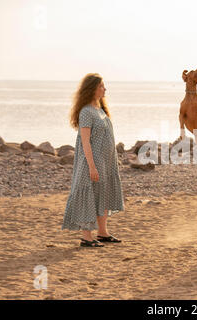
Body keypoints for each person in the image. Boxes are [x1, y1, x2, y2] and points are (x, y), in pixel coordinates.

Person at [62, 73, 124, 247]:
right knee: (88, 195)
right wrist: (91, 166)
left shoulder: (100, 110)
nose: (105, 89)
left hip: (106, 161)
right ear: (92, 89)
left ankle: (103, 233)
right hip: (93, 161)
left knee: (102, 194)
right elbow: (85, 142)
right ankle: (87, 237)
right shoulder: (86, 112)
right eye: (101, 86)